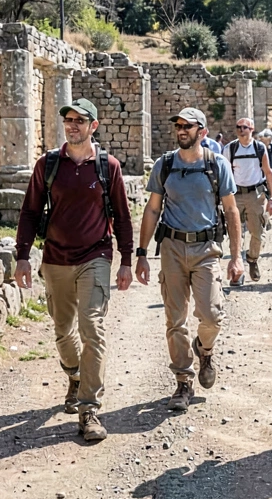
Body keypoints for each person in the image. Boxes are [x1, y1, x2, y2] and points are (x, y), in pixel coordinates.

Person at [13, 98, 135, 442]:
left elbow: (123, 217)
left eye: (80, 120)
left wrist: (126, 259)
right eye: (68, 119)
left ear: (93, 126)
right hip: (55, 259)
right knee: (63, 330)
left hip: (95, 256)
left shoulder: (107, 166)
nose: (72, 125)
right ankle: (74, 374)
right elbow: (30, 212)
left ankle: (89, 409)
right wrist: (23, 255)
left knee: (91, 328)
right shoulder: (48, 164)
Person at [137, 107, 243, 412]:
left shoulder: (216, 164)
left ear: (202, 132)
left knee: (211, 315)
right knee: (175, 319)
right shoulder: (165, 164)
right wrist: (142, 254)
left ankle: (205, 349)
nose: (182, 130)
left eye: (188, 126)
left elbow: (232, 211)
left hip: (206, 249)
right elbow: (153, 209)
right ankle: (183, 380)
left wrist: (236, 257)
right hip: (171, 248)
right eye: (179, 125)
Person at [226, 118, 272, 284]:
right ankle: (237, 269)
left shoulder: (259, 147)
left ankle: (252, 259)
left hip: (255, 196)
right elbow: (224, 174)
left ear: (252, 129)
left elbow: (268, 172)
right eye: (238, 127)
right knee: (235, 234)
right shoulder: (230, 148)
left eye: (245, 127)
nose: (241, 130)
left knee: (257, 233)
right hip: (235, 195)